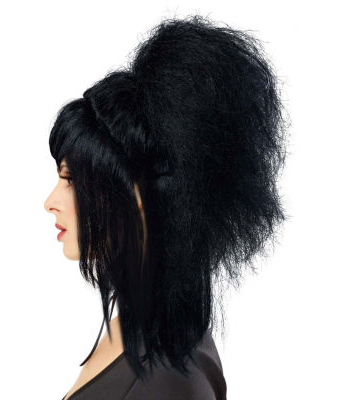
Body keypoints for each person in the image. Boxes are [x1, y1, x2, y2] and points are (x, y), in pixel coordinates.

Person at [44, 14, 289, 400]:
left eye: (71, 181)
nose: (50, 203)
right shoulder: (138, 332)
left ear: (137, 194)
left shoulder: (167, 383)